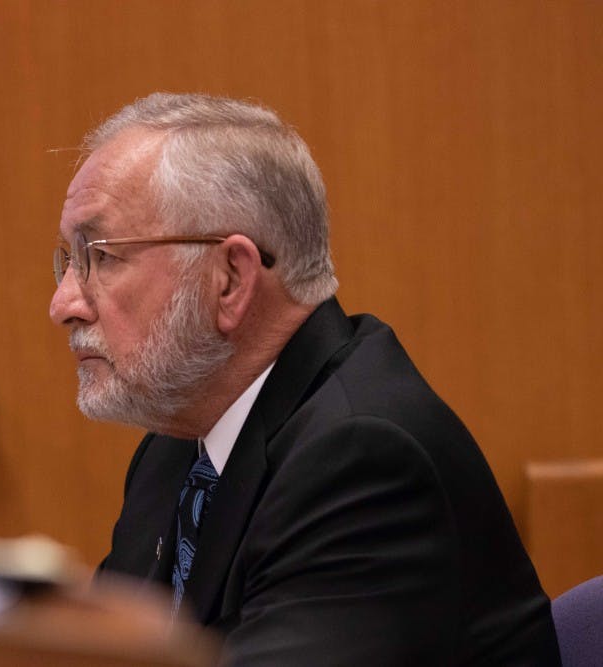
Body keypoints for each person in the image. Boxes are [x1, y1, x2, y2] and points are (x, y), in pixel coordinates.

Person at [48, 93, 560, 666]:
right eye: (67, 260)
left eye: (101, 257)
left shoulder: (364, 462)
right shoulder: (176, 447)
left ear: (230, 280)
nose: (64, 302)